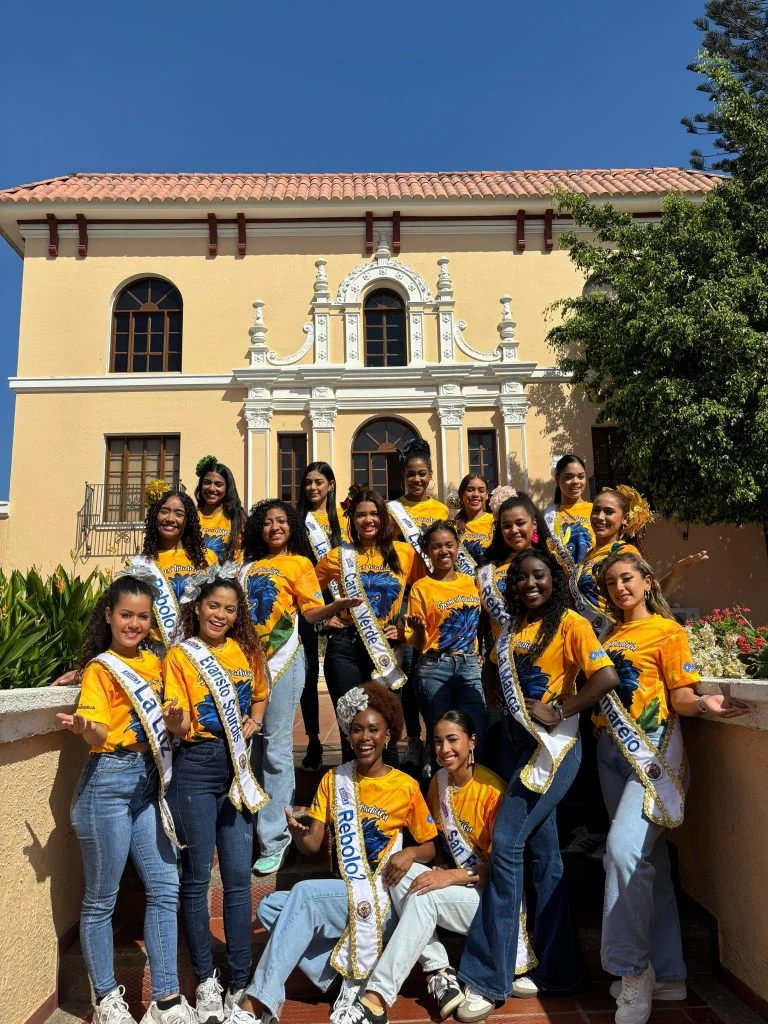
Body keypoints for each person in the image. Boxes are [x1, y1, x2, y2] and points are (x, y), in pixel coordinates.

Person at [456, 549, 621, 1019]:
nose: (530, 584)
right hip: (514, 745)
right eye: (522, 578)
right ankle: (559, 970)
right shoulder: (512, 628)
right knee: (545, 856)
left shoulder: (570, 623)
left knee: (506, 844)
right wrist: (495, 692)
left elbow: (606, 676)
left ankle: (487, 977)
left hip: (553, 749)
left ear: (555, 580)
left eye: (540, 576)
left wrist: (560, 709)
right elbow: (494, 668)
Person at [227, 683, 438, 1024]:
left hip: (381, 897)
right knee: (270, 908)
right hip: (345, 894)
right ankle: (344, 977)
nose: (364, 737)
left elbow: (430, 847)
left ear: (387, 736)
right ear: (348, 735)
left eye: (373, 730)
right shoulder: (333, 780)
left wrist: (412, 852)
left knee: (304, 896)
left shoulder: (405, 785)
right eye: (357, 729)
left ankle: (258, 1002)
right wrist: (299, 836)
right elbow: (313, 845)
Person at [597, 552, 750, 1024]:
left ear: (647, 582)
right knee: (651, 863)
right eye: (612, 582)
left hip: (653, 754)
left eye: (628, 578)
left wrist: (705, 704)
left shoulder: (668, 631)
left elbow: (681, 696)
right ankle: (669, 973)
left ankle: (632, 971)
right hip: (610, 754)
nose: (620, 587)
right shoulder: (608, 633)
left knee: (622, 853)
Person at [335, 711, 536, 1024]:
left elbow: (502, 869)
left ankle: (377, 996)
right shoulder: (439, 783)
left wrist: (451, 876)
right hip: (462, 889)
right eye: (438, 742)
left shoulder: (492, 791)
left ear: (472, 742)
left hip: (494, 901)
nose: (444, 749)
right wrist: (420, 858)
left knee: (425, 897)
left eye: (452, 740)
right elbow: (437, 845)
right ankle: (441, 971)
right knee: (396, 873)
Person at [58, 575, 196, 1024]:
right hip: (108, 785)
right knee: (102, 899)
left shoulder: (156, 662)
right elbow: (97, 730)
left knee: (165, 887)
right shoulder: (101, 670)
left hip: (148, 784)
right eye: (125, 615)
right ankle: (107, 1000)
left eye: (142, 616)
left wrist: (176, 719)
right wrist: (84, 727)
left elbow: (179, 727)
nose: (134, 624)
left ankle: (166, 1001)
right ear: (108, 616)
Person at [164, 567, 269, 1024]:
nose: (221, 615)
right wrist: (175, 720)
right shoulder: (181, 655)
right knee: (196, 878)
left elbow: (260, 695)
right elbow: (182, 721)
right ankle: (206, 979)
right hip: (197, 765)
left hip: (239, 766)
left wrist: (256, 720)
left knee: (239, 878)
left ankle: (240, 980)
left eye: (229, 609)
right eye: (213, 606)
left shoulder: (249, 650)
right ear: (198, 608)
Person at [240, 500, 359, 874]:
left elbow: (310, 612)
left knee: (275, 748)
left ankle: (275, 838)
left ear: (291, 526)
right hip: (249, 666)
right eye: (267, 522)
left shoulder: (300, 564)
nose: (275, 527)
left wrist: (335, 606)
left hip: (284, 661)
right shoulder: (246, 568)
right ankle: (257, 824)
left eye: (281, 521)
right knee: (253, 748)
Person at [316, 489, 416, 762]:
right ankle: (350, 783)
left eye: (374, 514)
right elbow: (306, 593)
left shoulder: (405, 553)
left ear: (384, 518)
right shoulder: (338, 556)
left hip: (386, 648)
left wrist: (405, 628)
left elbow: (426, 592)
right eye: (361, 515)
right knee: (350, 725)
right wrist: (324, 618)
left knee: (387, 725)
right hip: (345, 649)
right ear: (352, 519)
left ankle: (389, 783)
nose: (368, 520)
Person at [386, 438, 449, 773]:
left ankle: (437, 740)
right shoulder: (392, 511)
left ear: (430, 475)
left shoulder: (441, 511)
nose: (416, 479)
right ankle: (413, 739)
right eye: (411, 474)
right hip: (407, 597)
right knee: (409, 671)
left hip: (437, 595)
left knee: (434, 668)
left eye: (422, 474)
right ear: (403, 477)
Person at [476, 494, 550, 778]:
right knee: (507, 746)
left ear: (534, 524)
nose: (514, 530)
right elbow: (484, 621)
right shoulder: (490, 569)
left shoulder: (549, 561)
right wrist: (489, 671)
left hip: (543, 666)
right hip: (503, 666)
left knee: (542, 747)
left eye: (520, 523)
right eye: (506, 526)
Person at [404, 521, 486, 759]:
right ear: (428, 551)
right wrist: (418, 629)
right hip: (434, 668)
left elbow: (481, 622)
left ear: (458, 546)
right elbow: (419, 644)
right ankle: (437, 777)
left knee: (475, 732)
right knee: (441, 737)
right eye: (436, 546)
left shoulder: (471, 582)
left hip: (469, 667)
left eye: (449, 545)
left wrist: (480, 652)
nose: (444, 551)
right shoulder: (421, 587)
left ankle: (475, 780)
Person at [296, 461, 346, 773]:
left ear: (330, 484)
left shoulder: (343, 519)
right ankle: (314, 740)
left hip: (342, 604)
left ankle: (349, 741)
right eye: (308, 482)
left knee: (343, 676)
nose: (313, 488)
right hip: (308, 605)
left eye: (318, 482)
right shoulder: (298, 521)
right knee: (309, 675)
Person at [126, 487, 217, 654]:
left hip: (201, 650)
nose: (170, 519)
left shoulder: (207, 558)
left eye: (179, 514)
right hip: (157, 650)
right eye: (164, 511)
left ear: (188, 520)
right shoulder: (142, 564)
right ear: (155, 516)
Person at [194, 455, 246, 563]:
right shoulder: (191, 516)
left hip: (230, 573)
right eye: (207, 483)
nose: (212, 488)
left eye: (218, 484)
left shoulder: (238, 518)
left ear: (227, 488)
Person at [544, 454, 594, 564]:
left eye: (581, 476)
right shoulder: (548, 515)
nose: (576, 481)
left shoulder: (596, 511)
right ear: (557, 479)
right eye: (569, 477)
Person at [454, 474, 494, 570]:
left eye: (481, 490)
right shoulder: (453, 526)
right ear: (461, 494)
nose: (476, 494)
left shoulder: (496, 522)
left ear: (486, 495)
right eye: (470, 490)